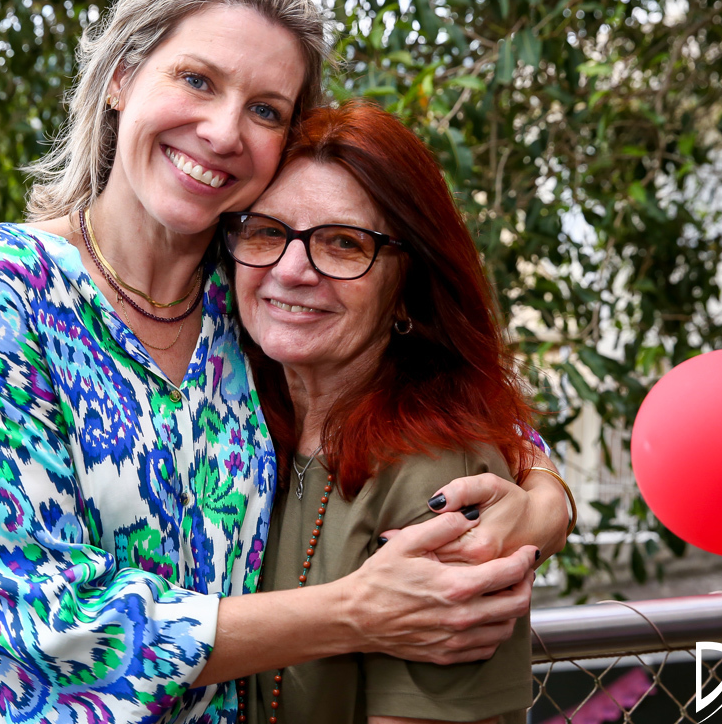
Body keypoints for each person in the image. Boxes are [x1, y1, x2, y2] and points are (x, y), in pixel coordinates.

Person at [0, 0, 572, 724]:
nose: (221, 129)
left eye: (266, 109)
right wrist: (356, 610)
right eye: (197, 79)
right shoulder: (0, 287)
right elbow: (40, 623)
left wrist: (544, 502)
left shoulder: (251, 293)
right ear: (121, 78)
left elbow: (439, 397)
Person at [226, 100, 563, 724]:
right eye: (267, 231)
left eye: (344, 243)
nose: (291, 270)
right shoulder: (226, 424)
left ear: (408, 289)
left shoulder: (442, 476)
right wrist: (550, 487)